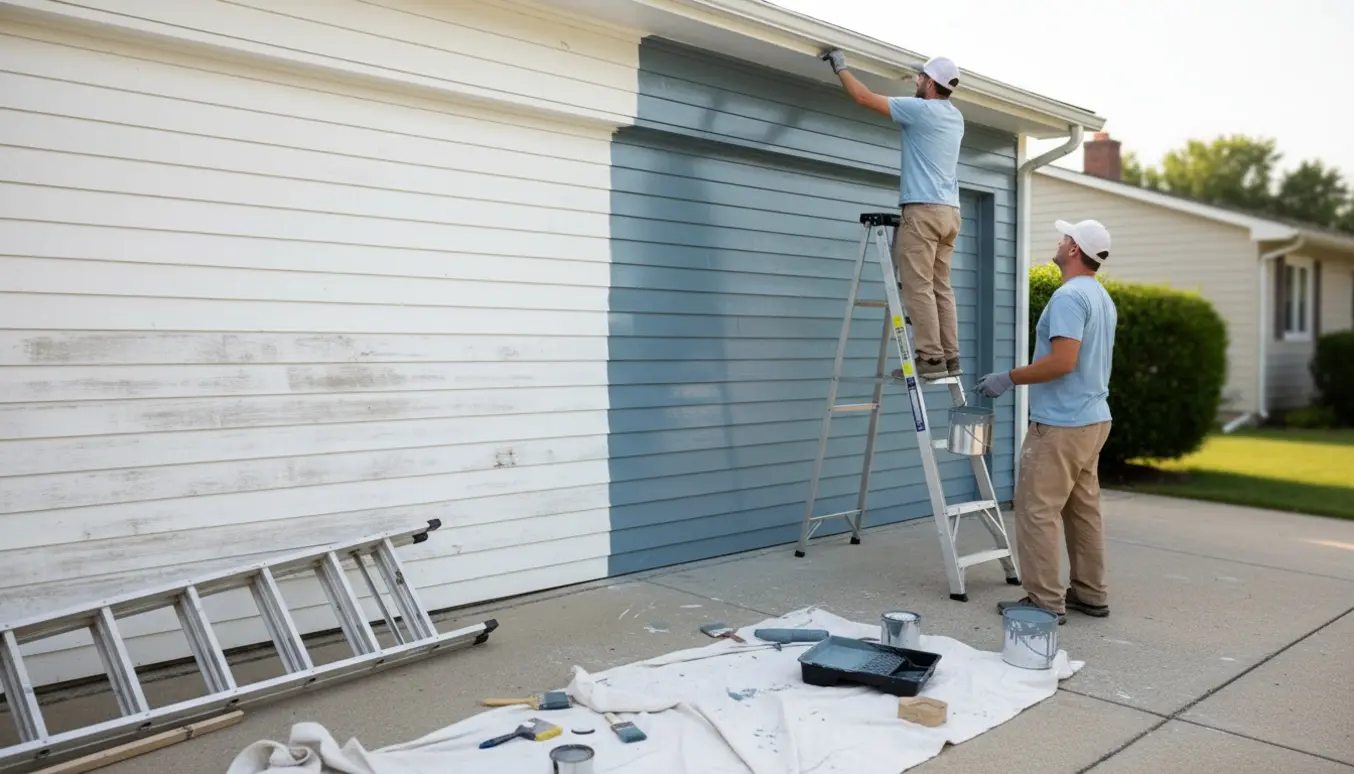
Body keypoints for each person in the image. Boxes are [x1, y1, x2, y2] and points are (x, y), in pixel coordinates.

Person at [975, 219, 1117, 625]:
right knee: (1081, 510)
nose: (1059, 241)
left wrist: (1008, 378)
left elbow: (1062, 361)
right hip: (1093, 421)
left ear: (1074, 250)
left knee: (1036, 510)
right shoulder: (1101, 297)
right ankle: (1090, 593)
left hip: (1061, 425)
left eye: (1064, 237)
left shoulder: (1069, 297)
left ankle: (1043, 602)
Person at [820, 49, 965, 380]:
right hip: (950, 213)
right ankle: (950, 357)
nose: (917, 83)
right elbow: (934, 89)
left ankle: (929, 360)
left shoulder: (919, 110)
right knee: (941, 286)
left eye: (921, 79)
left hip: (924, 211)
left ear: (929, 83)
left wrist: (840, 65)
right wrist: (923, 74)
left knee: (918, 286)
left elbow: (863, 96)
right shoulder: (955, 117)